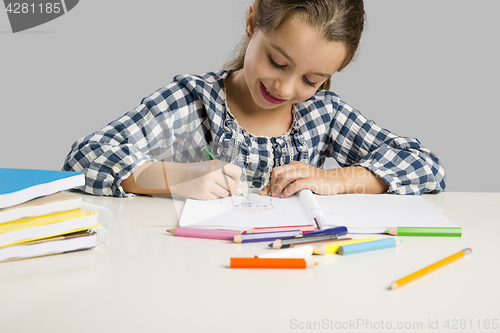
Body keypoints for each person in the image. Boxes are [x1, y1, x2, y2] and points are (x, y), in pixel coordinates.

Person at [62, 0, 446, 200]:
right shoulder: (193, 102)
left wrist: (335, 179)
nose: (284, 88)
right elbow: (83, 159)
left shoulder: (323, 115)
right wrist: (173, 178)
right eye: (277, 62)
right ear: (251, 23)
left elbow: (426, 167)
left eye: (312, 79)